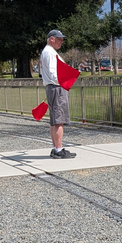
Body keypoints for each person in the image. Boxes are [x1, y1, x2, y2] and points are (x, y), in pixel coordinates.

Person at [40, 29, 76, 159]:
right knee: (59, 120)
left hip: (52, 87)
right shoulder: (50, 53)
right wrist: (64, 81)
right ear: (51, 39)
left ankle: (56, 147)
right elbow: (53, 73)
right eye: (59, 39)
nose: (61, 42)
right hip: (57, 87)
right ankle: (59, 149)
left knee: (54, 121)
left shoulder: (47, 52)